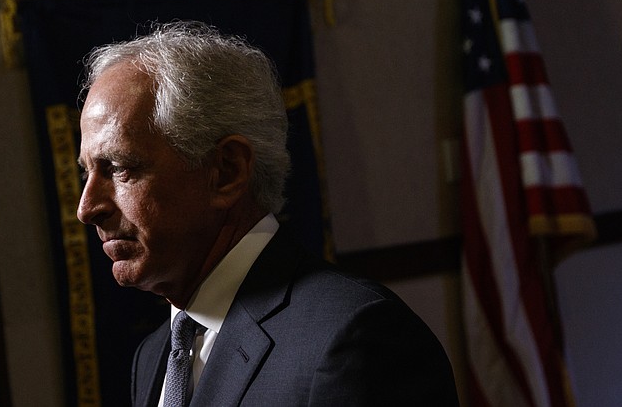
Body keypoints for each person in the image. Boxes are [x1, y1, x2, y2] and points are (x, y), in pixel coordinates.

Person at [76, 21, 459, 406]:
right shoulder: (152, 355)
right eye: (87, 171)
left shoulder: (355, 340)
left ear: (227, 171)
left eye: (119, 167)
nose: (87, 208)